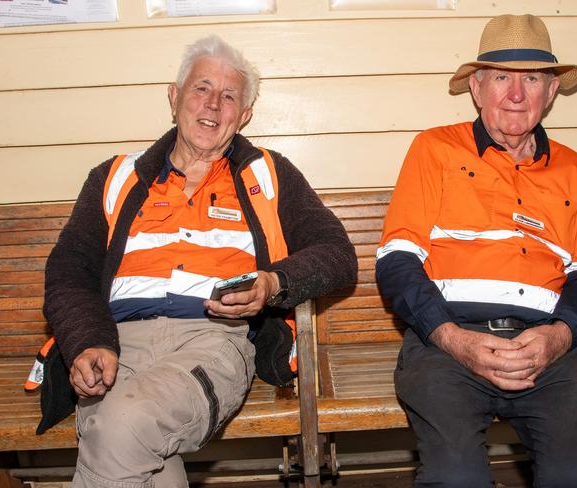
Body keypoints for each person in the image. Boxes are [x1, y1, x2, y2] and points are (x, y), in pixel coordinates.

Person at [43, 35, 357, 487]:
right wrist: (88, 341)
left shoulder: (267, 174)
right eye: (201, 88)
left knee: (119, 424)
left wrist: (271, 284)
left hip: (211, 341)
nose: (213, 105)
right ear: (175, 97)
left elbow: (337, 255)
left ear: (244, 115)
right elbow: (69, 270)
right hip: (113, 344)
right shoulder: (115, 177)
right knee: (130, 443)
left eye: (229, 96)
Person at [376, 14, 577, 487]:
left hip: (546, 348)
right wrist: (451, 338)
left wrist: (559, 337)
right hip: (447, 344)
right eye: (503, 78)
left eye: (532, 79)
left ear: (551, 92)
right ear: (476, 88)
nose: (516, 94)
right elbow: (397, 260)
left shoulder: (576, 170)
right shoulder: (435, 150)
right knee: (456, 478)